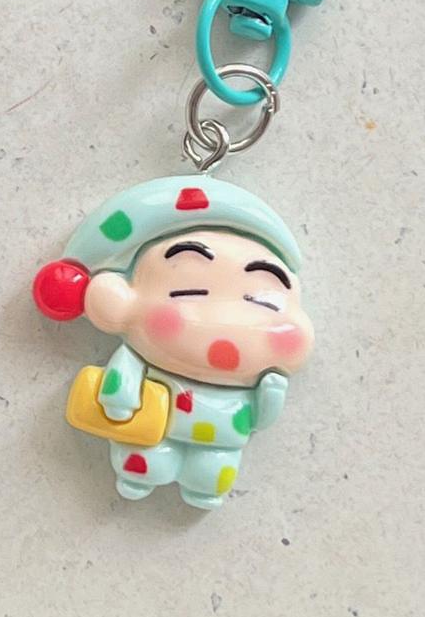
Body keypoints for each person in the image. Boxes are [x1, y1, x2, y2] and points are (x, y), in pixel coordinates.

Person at [34, 175, 314, 509]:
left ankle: (205, 488)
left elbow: (262, 421)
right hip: (149, 432)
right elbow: (123, 376)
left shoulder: (259, 377)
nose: (223, 322)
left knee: (210, 470)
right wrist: (119, 396)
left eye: (258, 300)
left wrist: (271, 396)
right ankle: (138, 475)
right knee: (147, 458)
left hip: (223, 440)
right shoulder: (138, 352)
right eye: (190, 291)